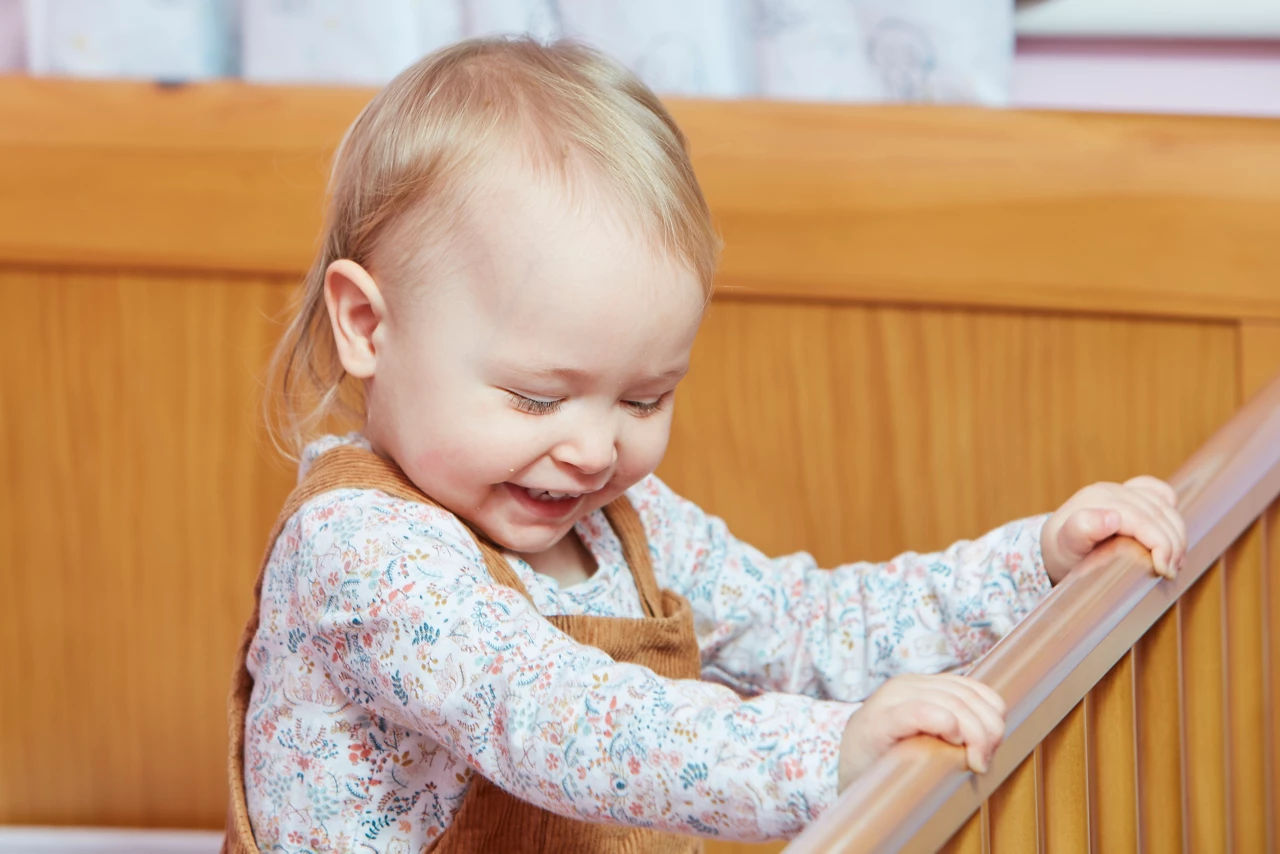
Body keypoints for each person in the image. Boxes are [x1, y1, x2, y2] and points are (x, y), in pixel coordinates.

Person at [221, 36, 1186, 854]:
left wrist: (1034, 567)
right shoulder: (361, 553)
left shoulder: (617, 527)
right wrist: (829, 755)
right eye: (533, 397)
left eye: (646, 397)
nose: (593, 451)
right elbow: (559, 721)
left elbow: (806, 623)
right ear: (366, 325)